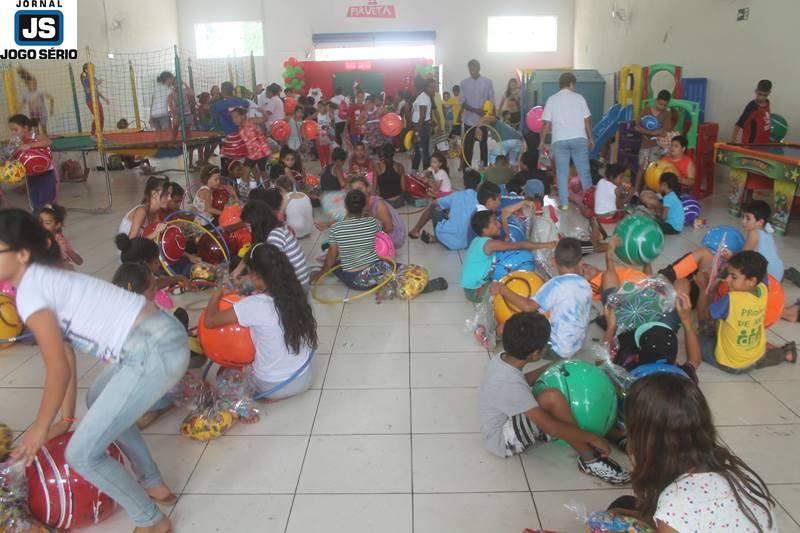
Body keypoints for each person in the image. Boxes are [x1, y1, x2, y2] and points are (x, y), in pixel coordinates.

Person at [3, 208, 186, 533]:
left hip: (151, 350)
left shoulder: (31, 292)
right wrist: (65, 419)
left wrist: (40, 429)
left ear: (21, 254)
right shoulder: (45, 275)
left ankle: (152, 521)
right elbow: (66, 361)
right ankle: (153, 481)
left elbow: (57, 368)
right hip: (157, 338)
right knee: (98, 395)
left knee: (82, 454)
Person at [477, 311, 630, 485]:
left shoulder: (503, 359)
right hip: (503, 440)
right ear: (535, 354)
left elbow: (522, 382)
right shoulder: (509, 383)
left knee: (563, 392)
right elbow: (552, 429)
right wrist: (591, 438)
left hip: (509, 418)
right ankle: (590, 460)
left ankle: (612, 434)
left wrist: (551, 365)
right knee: (554, 398)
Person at [616, 373, 777, 531]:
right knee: (623, 506)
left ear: (648, 441)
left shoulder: (675, 504)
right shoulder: (731, 468)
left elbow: (680, 516)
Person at [204, 243, 317, 401]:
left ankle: (262, 398)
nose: (247, 278)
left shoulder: (254, 305)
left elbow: (210, 321)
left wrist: (217, 293)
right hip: (304, 378)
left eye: (249, 274)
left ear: (257, 276)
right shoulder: (295, 292)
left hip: (272, 386)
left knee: (224, 370)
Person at [491, 238, 592, 359]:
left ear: (553, 261)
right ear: (581, 262)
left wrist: (503, 289)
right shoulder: (585, 284)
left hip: (557, 350)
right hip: (577, 345)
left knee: (503, 328)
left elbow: (528, 306)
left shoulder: (556, 284)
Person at [696, 250, 796, 372]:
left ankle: (775, 354)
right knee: (758, 359)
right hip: (755, 354)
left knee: (698, 339)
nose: (727, 280)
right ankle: (785, 354)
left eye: (734, 276)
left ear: (751, 281)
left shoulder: (731, 300)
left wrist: (702, 289)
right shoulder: (763, 289)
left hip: (731, 363)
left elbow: (703, 318)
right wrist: (735, 261)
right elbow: (762, 273)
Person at [461, 209, 556, 302]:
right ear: (485, 230)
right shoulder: (490, 244)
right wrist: (546, 245)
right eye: (495, 223)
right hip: (476, 291)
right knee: (511, 292)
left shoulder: (477, 240)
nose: (499, 225)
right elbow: (519, 245)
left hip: (471, 288)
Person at [539, 72, 595, 210]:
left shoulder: (552, 99)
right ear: (571, 83)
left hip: (559, 140)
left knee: (562, 173)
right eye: (574, 85)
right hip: (579, 139)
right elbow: (587, 119)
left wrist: (541, 141)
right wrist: (590, 138)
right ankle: (589, 202)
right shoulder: (579, 98)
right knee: (584, 173)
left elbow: (545, 123)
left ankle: (564, 204)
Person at [407, 170, 496, 249]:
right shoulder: (480, 199)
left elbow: (435, 203)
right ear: (478, 184)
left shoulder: (456, 195)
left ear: (464, 183)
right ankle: (436, 238)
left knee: (434, 208)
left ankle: (416, 231)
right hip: (468, 242)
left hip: (446, 238)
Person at [236, 200, 310, 290]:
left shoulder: (275, 236)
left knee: (246, 288)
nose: (249, 230)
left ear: (258, 223)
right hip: (296, 282)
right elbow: (252, 251)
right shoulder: (275, 228)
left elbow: (270, 270)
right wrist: (238, 270)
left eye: (249, 226)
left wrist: (248, 278)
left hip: (296, 288)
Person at [8, 114, 57, 212]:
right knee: (36, 202)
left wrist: (30, 145)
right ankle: (38, 221)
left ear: (25, 128)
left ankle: (49, 221)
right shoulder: (18, 143)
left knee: (47, 203)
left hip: (46, 175)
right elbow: (16, 158)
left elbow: (48, 142)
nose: (14, 133)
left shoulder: (37, 136)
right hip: (31, 177)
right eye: (12, 130)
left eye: (15, 129)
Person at [349, 175, 407, 250]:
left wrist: (368, 234)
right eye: (354, 191)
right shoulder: (358, 204)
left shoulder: (379, 204)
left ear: (368, 188)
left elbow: (389, 228)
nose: (357, 193)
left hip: (392, 235)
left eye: (360, 189)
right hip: (377, 229)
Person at [633, 90, 673, 192]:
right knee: (642, 168)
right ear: (656, 100)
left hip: (656, 147)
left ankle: (645, 192)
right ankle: (636, 192)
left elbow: (665, 132)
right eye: (660, 104)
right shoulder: (646, 110)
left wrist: (658, 133)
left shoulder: (666, 114)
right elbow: (637, 127)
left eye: (664, 105)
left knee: (651, 170)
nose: (661, 107)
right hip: (645, 146)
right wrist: (653, 133)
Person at [459, 60, 495, 169]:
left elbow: (492, 101)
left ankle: (483, 168)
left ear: (479, 68)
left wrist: (490, 116)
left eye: (474, 68)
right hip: (469, 120)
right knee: (468, 146)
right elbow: (462, 103)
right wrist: (475, 110)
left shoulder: (487, 82)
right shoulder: (464, 83)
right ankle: (467, 169)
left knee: (483, 145)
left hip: (483, 121)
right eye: (470, 69)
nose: (472, 71)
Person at [210, 81, 251, 168]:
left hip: (228, 138)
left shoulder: (219, 105)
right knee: (245, 161)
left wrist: (213, 99)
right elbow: (247, 104)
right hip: (242, 136)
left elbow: (210, 109)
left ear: (223, 91)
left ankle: (229, 179)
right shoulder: (242, 101)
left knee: (228, 163)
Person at [231, 107, 270, 188]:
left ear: (243, 116)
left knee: (262, 171)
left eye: (235, 117)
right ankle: (248, 191)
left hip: (261, 152)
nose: (234, 120)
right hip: (251, 154)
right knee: (245, 173)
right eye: (233, 118)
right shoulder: (240, 128)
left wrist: (263, 111)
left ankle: (268, 190)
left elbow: (265, 119)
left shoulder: (251, 121)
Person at [38, 204, 83, 269]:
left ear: (57, 225)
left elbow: (80, 262)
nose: (42, 226)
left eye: (47, 223)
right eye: (40, 222)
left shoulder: (61, 241)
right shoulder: (37, 240)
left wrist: (68, 251)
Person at [730, 79, 773, 144]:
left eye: (765, 95)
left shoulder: (767, 103)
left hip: (764, 144)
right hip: (750, 145)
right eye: (759, 94)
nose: (761, 97)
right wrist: (733, 138)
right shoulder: (752, 107)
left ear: (769, 93)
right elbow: (739, 123)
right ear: (756, 91)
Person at [17, 67, 55, 136]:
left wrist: (51, 108)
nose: (34, 85)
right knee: (36, 130)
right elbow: (22, 104)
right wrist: (17, 112)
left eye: (35, 84)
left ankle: (45, 142)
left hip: (42, 113)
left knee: (44, 130)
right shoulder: (26, 94)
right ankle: (38, 143)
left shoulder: (39, 92)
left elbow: (51, 98)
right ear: (27, 85)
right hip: (33, 114)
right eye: (32, 84)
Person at [411, 77, 435, 172]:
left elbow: (422, 116)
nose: (434, 90)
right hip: (418, 126)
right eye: (432, 88)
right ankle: (414, 172)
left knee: (423, 152)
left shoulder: (424, 97)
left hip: (421, 127)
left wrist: (417, 133)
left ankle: (427, 175)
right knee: (417, 151)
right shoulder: (421, 96)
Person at [80, 63, 109, 135]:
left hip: (97, 100)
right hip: (90, 101)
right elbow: (88, 91)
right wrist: (95, 84)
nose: (94, 70)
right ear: (86, 70)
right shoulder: (85, 79)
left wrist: (104, 98)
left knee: (101, 117)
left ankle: (100, 134)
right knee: (97, 117)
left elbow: (96, 91)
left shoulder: (93, 77)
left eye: (93, 68)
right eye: (92, 68)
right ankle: (92, 134)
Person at [375, 142, 405, 208]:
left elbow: (375, 187)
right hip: (400, 201)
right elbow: (403, 187)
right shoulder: (400, 166)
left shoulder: (377, 167)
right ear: (393, 153)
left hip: (386, 203)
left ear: (383, 154)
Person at [316, 100, 334, 167]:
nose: (319, 109)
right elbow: (318, 125)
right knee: (321, 153)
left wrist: (328, 109)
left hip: (328, 136)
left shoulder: (328, 114)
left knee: (328, 153)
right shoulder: (318, 115)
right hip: (320, 135)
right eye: (318, 107)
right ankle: (323, 167)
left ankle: (329, 166)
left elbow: (332, 118)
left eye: (320, 107)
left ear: (324, 107)